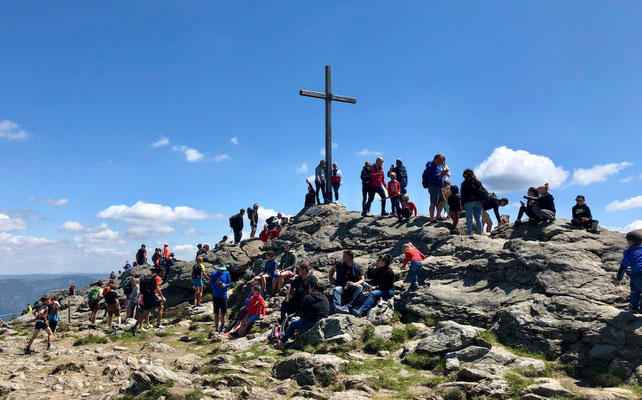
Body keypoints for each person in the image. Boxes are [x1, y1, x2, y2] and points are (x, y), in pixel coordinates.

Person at [275, 281, 329, 348]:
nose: (308, 289)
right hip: (323, 323)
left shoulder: (308, 297)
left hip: (311, 323)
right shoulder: (325, 298)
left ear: (313, 288)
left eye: (309, 288)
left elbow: (302, 314)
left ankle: (282, 342)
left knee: (293, 323)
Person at [613, 230, 642, 312]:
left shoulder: (628, 251)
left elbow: (623, 266)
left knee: (635, 291)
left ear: (630, 241)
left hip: (637, 274)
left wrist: (618, 279)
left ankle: (633, 309)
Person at [132, 268, 166, 335]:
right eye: (163, 273)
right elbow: (157, 287)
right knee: (161, 307)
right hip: (151, 296)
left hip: (145, 296)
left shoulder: (151, 276)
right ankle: (158, 324)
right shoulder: (157, 278)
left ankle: (134, 327)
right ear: (161, 272)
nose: (163, 274)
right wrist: (162, 297)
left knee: (145, 313)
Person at [422, 154, 448, 222]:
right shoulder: (430, 166)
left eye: (441, 162)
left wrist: (442, 174)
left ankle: (438, 216)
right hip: (433, 186)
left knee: (443, 201)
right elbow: (433, 177)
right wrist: (441, 175)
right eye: (439, 161)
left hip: (439, 186)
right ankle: (432, 218)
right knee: (433, 202)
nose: (440, 163)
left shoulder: (437, 166)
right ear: (435, 159)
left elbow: (438, 176)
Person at [460, 168, 486, 235]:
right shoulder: (477, 182)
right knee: (478, 218)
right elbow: (482, 191)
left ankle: (469, 232)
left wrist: (462, 205)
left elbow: (462, 195)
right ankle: (480, 232)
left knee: (469, 218)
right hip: (478, 202)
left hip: (468, 202)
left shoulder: (464, 184)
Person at [211, 264, 232, 333]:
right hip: (216, 295)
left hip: (223, 295)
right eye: (221, 270)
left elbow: (229, 283)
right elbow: (212, 285)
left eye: (223, 270)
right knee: (216, 313)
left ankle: (222, 328)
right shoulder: (214, 274)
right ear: (218, 269)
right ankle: (216, 328)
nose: (222, 271)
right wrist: (216, 283)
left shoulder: (226, 273)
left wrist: (225, 285)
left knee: (223, 313)